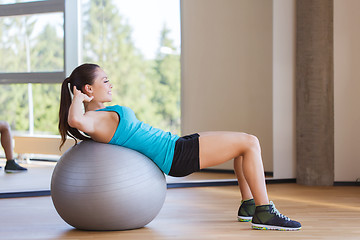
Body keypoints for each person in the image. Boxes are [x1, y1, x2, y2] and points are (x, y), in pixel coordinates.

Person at [58, 63, 301, 231]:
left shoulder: (101, 114)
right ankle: (264, 211)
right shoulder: (94, 119)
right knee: (250, 143)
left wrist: (80, 98)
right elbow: (75, 121)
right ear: (89, 88)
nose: (110, 84)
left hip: (175, 144)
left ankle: (250, 206)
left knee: (243, 144)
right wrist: (78, 98)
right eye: (105, 80)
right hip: (174, 155)